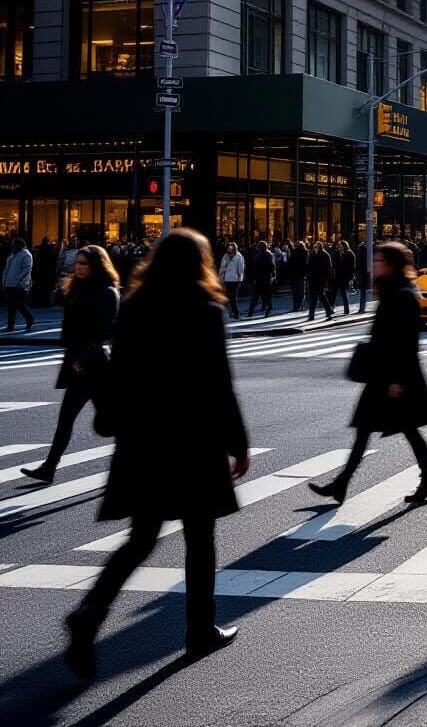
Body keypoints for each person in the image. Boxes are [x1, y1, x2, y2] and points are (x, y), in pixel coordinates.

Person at [64, 229, 251, 680]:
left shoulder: (134, 307)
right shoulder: (206, 311)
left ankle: (90, 611)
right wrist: (238, 443)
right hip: (192, 440)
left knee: (141, 537)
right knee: (199, 538)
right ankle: (199, 630)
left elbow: (124, 375)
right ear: (200, 263)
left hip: (143, 440)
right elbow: (218, 384)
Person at [308, 242, 427, 505]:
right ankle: (342, 484)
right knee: (368, 430)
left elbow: (407, 343)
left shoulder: (402, 294)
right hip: (384, 376)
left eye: (379, 261)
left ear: (391, 265)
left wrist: (397, 380)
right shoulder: (393, 291)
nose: (374, 264)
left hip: (394, 378)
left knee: (405, 430)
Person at [20, 246, 120, 484]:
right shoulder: (78, 290)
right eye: (77, 263)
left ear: (97, 265)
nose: (78, 267)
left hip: (96, 368)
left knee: (109, 424)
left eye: (84, 263)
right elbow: (62, 312)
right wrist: (61, 290)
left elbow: (106, 333)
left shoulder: (107, 293)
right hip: (77, 366)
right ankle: (49, 467)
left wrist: (85, 359)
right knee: (65, 419)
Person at [2, 236, 35, 333]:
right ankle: (15, 323)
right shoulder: (12, 255)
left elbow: (27, 269)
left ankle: (24, 320)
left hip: (19, 285)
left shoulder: (26, 255)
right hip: (9, 283)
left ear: (19, 245)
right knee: (13, 305)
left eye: (14, 244)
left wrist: (19, 281)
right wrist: (4, 280)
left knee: (17, 305)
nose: (12, 246)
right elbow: (6, 269)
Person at [246, 240, 275, 318]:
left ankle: (250, 312)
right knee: (267, 296)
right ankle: (267, 311)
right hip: (266, 278)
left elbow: (253, 269)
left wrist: (253, 278)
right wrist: (273, 276)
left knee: (255, 297)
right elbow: (272, 267)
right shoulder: (269, 255)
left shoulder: (257, 256)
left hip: (259, 279)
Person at [307, 240, 335, 322]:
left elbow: (327, 269)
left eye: (316, 247)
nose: (315, 248)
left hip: (320, 279)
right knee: (316, 297)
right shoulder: (312, 255)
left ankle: (313, 314)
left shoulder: (325, 255)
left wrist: (326, 281)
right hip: (313, 279)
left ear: (320, 247)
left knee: (319, 296)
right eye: (314, 247)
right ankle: (326, 311)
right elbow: (309, 266)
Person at [218, 241, 245, 319]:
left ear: (234, 248)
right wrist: (221, 277)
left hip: (235, 280)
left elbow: (241, 269)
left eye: (231, 248)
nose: (230, 250)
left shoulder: (239, 256)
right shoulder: (225, 256)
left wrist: (240, 279)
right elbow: (222, 268)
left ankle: (236, 313)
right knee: (225, 297)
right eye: (228, 248)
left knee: (233, 297)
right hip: (226, 279)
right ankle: (226, 313)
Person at [287, 240, 308, 312]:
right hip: (301, 275)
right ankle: (300, 305)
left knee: (294, 292)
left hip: (293, 275)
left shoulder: (293, 253)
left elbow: (289, 264)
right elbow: (306, 264)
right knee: (301, 292)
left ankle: (295, 306)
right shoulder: (305, 253)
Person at [336, 240, 356, 316]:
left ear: (345, 246)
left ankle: (346, 310)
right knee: (340, 293)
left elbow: (351, 267)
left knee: (344, 293)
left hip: (346, 277)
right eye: (339, 247)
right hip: (339, 276)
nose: (339, 248)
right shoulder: (339, 254)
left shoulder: (350, 254)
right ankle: (344, 309)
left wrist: (351, 278)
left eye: (341, 247)